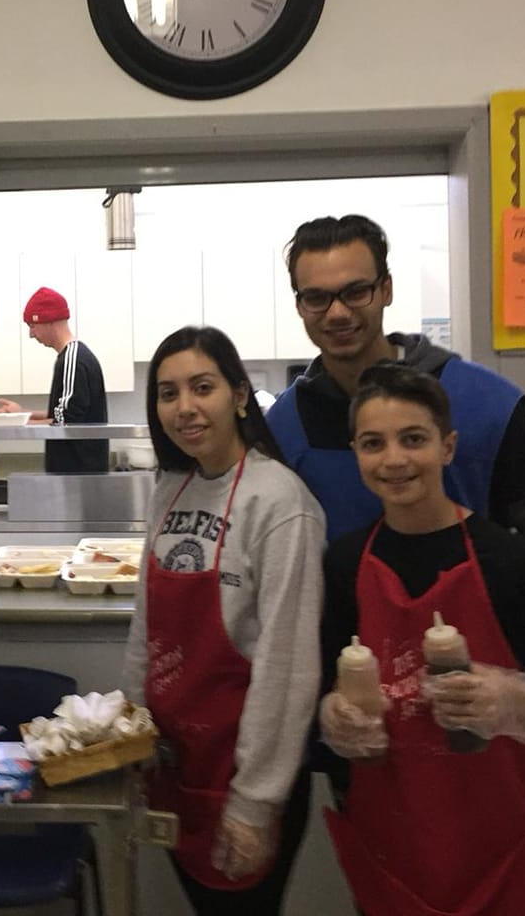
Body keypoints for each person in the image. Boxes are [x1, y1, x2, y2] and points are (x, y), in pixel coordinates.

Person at [265, 213, 525, 777]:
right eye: (317, 298)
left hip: (480, 717)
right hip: (365, 726)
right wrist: (324, 711)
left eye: (356, 291)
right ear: (299, 306)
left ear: (386, 289)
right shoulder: (285, 428)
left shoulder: (485, 405)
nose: (338, 313)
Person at [318, 364, 525, 915]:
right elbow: (328, 683)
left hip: (499, 842)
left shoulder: (509, 561)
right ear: (356, 453)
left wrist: (516, 698)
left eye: (413, 439)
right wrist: (336, 716)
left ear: (448, 447)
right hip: (394, 844)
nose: (394, 460)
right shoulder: (344, 564)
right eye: (373, 443)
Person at [120, 326, 324, 916]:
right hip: (175, 760)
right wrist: (132, 735)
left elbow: (288, 666)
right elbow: (145, 630)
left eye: (202, 387)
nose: (184, 407)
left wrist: (254, 802)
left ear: (238, 395)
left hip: (241, 766)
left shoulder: (280, 502)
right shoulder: (170, 489)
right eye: (168, 393)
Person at [0, 286, 109, 472]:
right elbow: (62, 414)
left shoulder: (73, 360)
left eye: (32, 326)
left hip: (76, 473)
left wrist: (17, 423)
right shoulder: (73, 357)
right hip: (76, 474)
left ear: (49, 321)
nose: (31, 335)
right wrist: (22, 413)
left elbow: (64, 422)